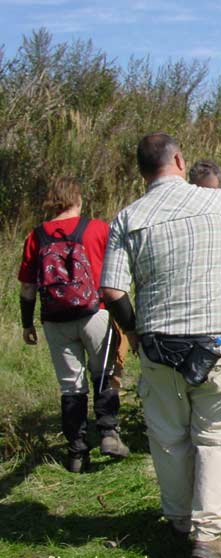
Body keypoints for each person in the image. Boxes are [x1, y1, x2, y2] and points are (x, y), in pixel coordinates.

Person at [100, 133, 221, 558]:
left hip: (157, 346)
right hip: (215, 343)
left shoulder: (127, 218)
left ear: (141, 169)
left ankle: (179, 519)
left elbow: (112, 288)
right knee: (217, 436)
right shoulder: (213, 201)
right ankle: (208, 533)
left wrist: (133, 331)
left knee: (169, 437)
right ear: (178, 159)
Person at [18, 176, 130, 474]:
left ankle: (77, 452)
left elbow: (27, 288)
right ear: (77, 198)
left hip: (55, 320)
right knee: (103, 374)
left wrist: (27, 323)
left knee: (71, 387)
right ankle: (108, 434)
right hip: (95, 313)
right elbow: (118, 272)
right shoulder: (96, 229)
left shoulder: (36, 236)